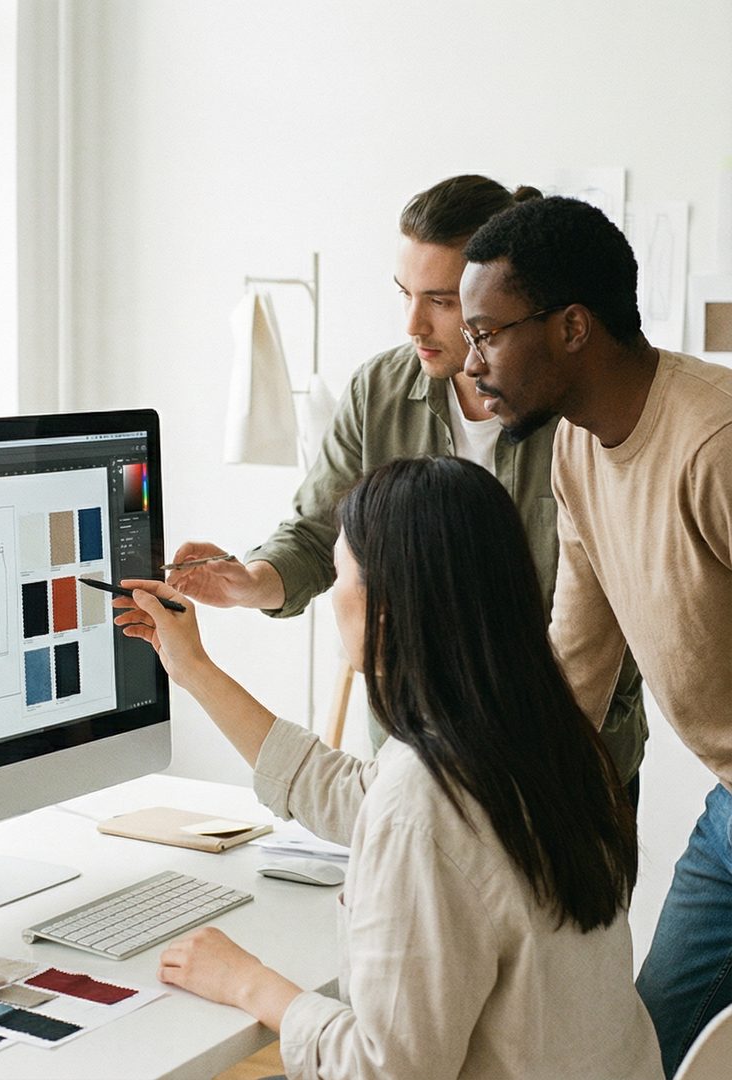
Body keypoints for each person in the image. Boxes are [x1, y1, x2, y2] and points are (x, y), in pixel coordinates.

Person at [113, 455, 656, 1079]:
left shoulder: (424, 800)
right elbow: (354, 794)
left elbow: (386, 1072)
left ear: (386, 605)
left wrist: (253, 985)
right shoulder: (544, 736)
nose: (334, 595)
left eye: (342, 573)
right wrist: (194, 669)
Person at [169, 176, 645, 791]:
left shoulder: (574, 408)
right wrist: (251, 581)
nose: (415, 324)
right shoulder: (380, 392)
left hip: (570, 769)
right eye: (405, 294)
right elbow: (317, 536)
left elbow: (612, 603)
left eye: (442, 302)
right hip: (419, 763)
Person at [459, 194, 732, 1075]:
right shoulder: (575, 450)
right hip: (731, 812)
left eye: (487, 334)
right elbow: (575, 665)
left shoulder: (715, 445)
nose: (471, 364)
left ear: (572, 327)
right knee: (644, 1050)